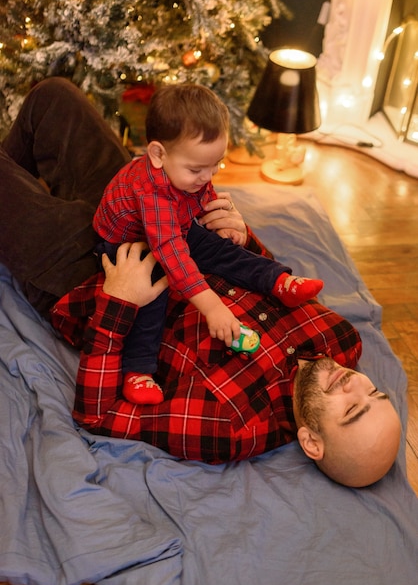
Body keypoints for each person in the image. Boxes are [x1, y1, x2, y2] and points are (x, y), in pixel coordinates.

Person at [0, 77, 401, 488]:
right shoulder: (341, 339)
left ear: (312, 442)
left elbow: (97, 415)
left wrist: (118, 303)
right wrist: (241, 236)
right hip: (157, 212)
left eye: (351, 411)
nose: (355, 385)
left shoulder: (230, 426)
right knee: (54, 98)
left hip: (92, 277)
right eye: (375, 394)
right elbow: (261, 273)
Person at [93, 83, 323, 405]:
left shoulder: (190, 171)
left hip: (176, 227)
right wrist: (213, 308)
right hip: (129, 246)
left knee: (224, 250)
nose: (208, 174)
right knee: (153, 292)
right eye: (197, 168)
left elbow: (201, 193)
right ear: (158, 155)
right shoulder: (152, 193)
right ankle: (139, 370)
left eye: (215, 164)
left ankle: (278, 280)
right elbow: (172, 255)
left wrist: (213, 213)